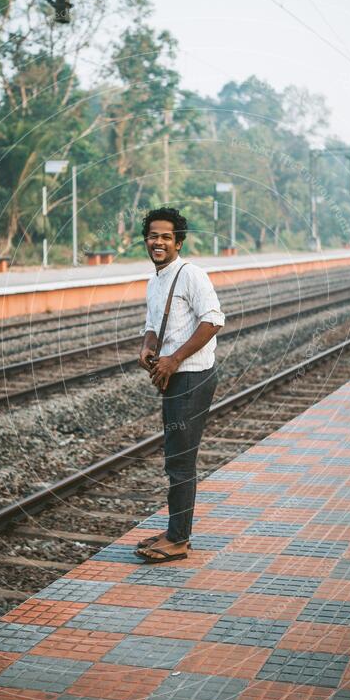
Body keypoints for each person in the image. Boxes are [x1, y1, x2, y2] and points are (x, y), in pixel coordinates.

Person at [136, 207, 225, 563]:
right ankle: (175, 530)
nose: (158, 242)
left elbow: (213, 320)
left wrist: (175, 359)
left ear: (179, 241)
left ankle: (178, 539)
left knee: (181, 462)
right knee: (175, 457)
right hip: (172, 376)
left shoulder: (192, 275)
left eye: (166, 237)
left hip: (191, 377)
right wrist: (148, 346)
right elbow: (153, 322)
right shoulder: (155, 279)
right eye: (153, 236)